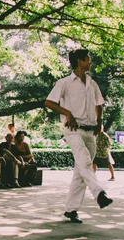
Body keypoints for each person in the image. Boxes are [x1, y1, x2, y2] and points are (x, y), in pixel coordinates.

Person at [45, 49, 113, 224]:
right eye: (88, 59)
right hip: (73, 130)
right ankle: (100, 194)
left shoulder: (92, 83)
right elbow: (49, 102)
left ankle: (71, 209)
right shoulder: (64, 83)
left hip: (91, 131)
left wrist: (99, 121)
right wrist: (66, 112)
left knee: (81, 171)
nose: (90, 62)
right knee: (85, 162)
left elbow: (99, 103)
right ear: (79, 61)